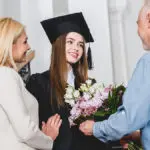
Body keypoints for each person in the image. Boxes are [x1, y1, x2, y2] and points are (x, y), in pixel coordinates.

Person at [26, 12, 109, 150]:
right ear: (58, 45)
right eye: (70, 42)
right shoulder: (39, 83)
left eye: (80, 44)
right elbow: (30, 126)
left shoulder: (90, 85)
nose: (76, 48)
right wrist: (43, 136)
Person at [79, 2, 150, 150]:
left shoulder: (147, 62)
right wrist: (139, 135)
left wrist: (96, 128)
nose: (137, 31)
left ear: (148, 20)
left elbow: (129, 119)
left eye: (138, 23)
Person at [0, 17, 62, 150]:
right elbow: (25, 132)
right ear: (10, 43)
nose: (29, 47)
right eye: (25, 42)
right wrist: (48, 139)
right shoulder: (6, 74)